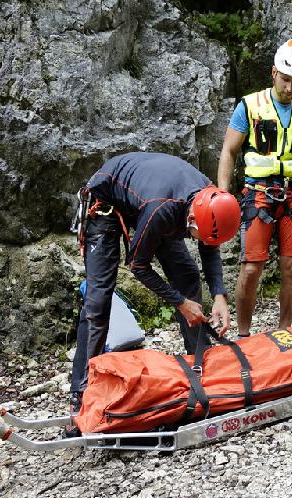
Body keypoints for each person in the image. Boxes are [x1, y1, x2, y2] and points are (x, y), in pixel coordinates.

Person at [68, 152, 241, 435]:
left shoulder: (211, 201)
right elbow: (138, 265)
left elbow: (209, 246)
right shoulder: (162, 210)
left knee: (187, 276)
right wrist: (181, 303)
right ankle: (83, 390)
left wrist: (219, 295)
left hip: (149, 201)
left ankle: (201, 364)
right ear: (192, 220)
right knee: (98, 302)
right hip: (107, 200)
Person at [217, 38, 292, 338]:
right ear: (274, 73)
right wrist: (222, 194)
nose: (289, 87)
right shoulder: (250, 106)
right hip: (259, 191)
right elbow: (229, 151)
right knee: (251, 268)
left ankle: (284, 331)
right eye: (285, 79)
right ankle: (244, 335)